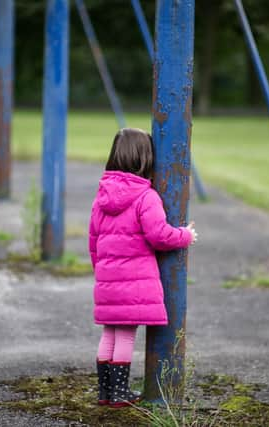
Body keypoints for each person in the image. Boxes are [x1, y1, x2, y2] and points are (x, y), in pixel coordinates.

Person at [88, 127, 197, 408]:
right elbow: (159, 235)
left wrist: (102, 273)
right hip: (134, 284)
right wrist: (185, 235)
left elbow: (93, 241)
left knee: (109, 334)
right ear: (146, 159)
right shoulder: (145, 197)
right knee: (125, 335)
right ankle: (120, 393)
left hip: (108, 281)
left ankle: (105, 391)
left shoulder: (101, 197)